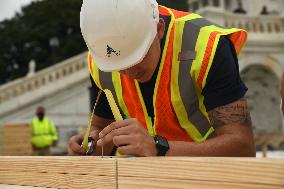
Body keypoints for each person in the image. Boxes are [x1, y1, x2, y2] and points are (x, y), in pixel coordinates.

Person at [68, 0, 255, 157]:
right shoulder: (102, 60)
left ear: (159, 29)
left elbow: (242, 146)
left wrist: (158, 147)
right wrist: (91, 143)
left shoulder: (208, 46)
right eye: (118, 65)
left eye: (137, 57)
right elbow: (101, 127)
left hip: (203, 176)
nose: (129, 72)